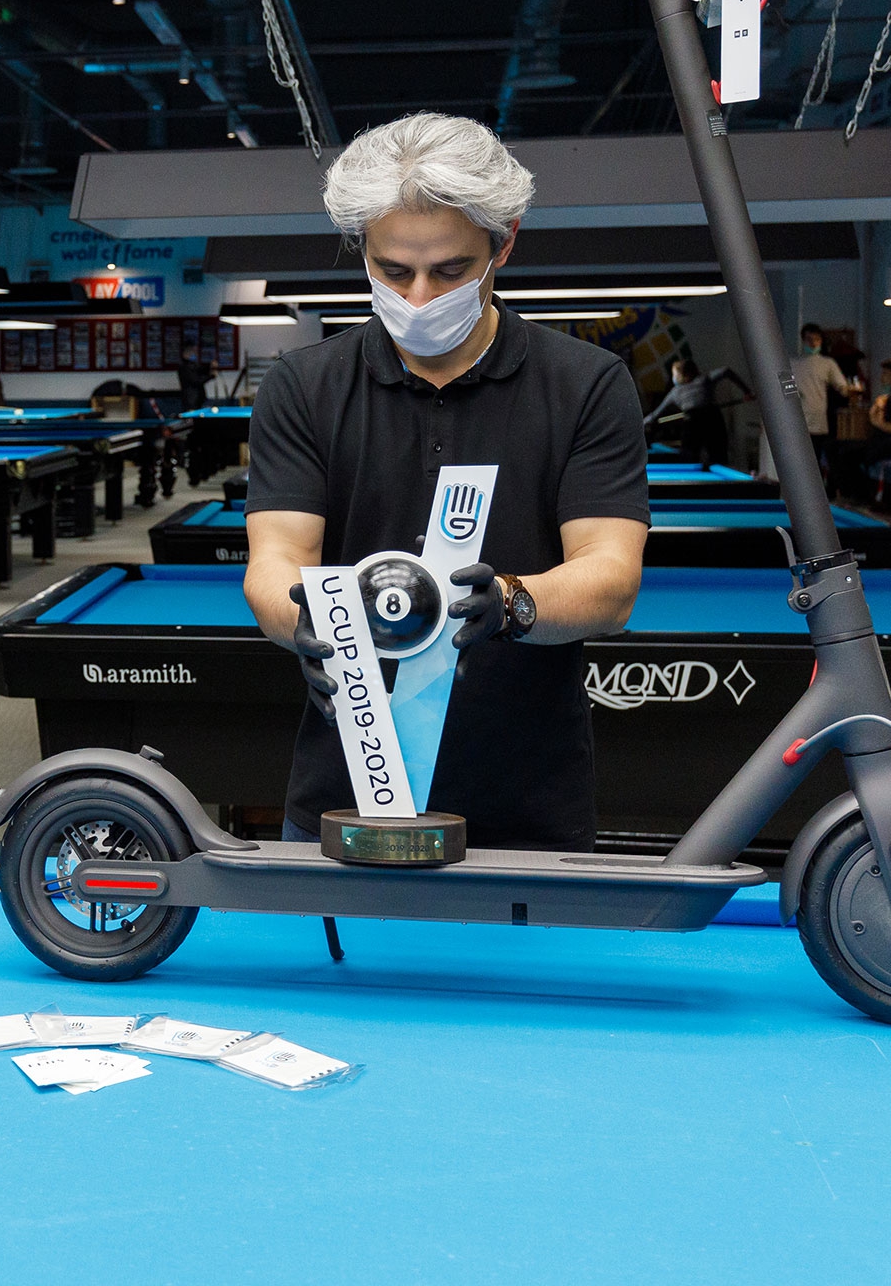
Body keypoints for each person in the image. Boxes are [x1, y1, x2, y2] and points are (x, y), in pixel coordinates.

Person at [244, 113, 650, 850]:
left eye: (452, 270)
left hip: (530, 805)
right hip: (343, 797)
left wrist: (511, 602)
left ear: (505, 242)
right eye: (395, 271)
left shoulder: (588, 384)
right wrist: (301, 618)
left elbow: (611, 579)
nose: (421, 297)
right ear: (363, 248)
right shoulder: (302, 387)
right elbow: (275, 562)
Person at [642, 357, 738, 467]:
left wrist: (643, 423)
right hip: (712, 417)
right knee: (718, 455)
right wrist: (747, 392)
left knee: (688, 456)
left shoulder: (676, 391)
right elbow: (726, 370)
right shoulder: (703, 379)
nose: (673, 377)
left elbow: (655, 414)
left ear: (681, 374)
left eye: (674, 374)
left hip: (694, 420)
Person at [791, 322, 855, 483]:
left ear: (821, 341)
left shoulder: (827, 364)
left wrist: (851, 391)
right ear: (803, 340)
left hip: (818, 420)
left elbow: (843, 387)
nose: (813, 343)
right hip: (796, 420)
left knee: (815, 460)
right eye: (809, 339)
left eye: (817, 339)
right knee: (798, 462)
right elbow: (785, 393)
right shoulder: (790, 363)